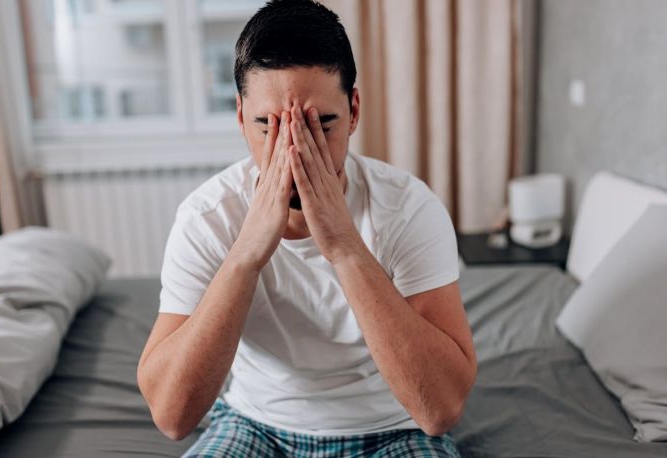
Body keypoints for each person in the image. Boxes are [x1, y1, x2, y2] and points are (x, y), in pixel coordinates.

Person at [137, 1, 476, 456]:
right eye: (267, 126)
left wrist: (345, 248)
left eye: (322, 125)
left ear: (353, 111)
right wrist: (245, 256)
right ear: (240, 118)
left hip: (394, 428)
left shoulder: (409, 209)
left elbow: (440, 409)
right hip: (255, 423)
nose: (294, 150)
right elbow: (172, 416)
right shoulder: (209, 216)